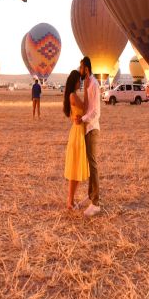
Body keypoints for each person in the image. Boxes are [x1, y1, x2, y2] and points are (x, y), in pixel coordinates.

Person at [76, 56, 101, 216]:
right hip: (87, 129)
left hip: (92, 128)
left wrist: (82, 119)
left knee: (93, 165)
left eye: (81, 67)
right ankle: (91, 195)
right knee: (89, 164)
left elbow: (95, 111)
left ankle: (96, 203)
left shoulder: (94, 84)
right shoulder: (87, 84)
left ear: (86, 68)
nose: (79, 70)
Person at [62, 70, 89, 210]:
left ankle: (70, 201)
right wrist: (87, 92)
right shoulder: (73, 95)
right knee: (75, 168)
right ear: (74, 81)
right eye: (79, 80)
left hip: (79, 131)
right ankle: (69, 201)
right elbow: (85, 108)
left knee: (77, 168)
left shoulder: (72, 95)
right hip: (77, 132)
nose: (80, 82)